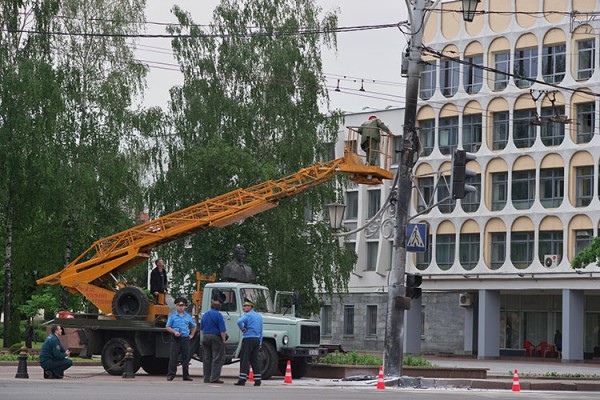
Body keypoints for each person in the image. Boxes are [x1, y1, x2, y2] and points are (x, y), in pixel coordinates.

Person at [165, 296, 197, 381]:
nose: (181, 307)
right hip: (176, 338)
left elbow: (194, 326)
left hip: (185, 338)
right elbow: (167, 327)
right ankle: (171, 374)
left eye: (182, 305)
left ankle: (186, 375)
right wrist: (174, 332)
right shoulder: (172, 316)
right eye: (179, 305)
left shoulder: (188, 316)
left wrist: (192, 335)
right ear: (176, 306)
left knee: (186, 357)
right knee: (173, 357)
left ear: (185, 306)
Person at [234, 299, 263, 387]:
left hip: (248, 338)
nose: (244, 307)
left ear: (250, 307)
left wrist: (242, 329)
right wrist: (260, 343)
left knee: (244, 358)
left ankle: (242, 379)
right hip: (257, 339)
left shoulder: (247, 315)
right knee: (255, 360)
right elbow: (261, 330)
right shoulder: (259, 316)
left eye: (245, 306)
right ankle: (257, 380)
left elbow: (239, 321)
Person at [200, 300, 228, 383]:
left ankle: (206, 378)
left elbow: (201, 328)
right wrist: (223, 340)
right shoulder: (219, 315)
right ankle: (214, 378)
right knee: (217, 358)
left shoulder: (205, 315)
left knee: (207, 358)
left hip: (205, 337)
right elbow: (222, 330)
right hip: (215, 337)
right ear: (219, 307)